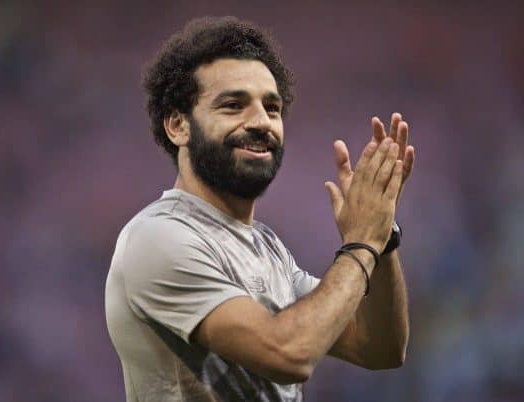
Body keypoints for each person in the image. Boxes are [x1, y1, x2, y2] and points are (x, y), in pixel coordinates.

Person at [105, 16, 415, 402]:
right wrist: (362, 243)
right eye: (233, 105)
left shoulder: (267, 248)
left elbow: (378, 349)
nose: (261, 122)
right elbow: (288, 353)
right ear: (178, 126)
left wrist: (383, 237)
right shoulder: (158, 237)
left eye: (272, 108)